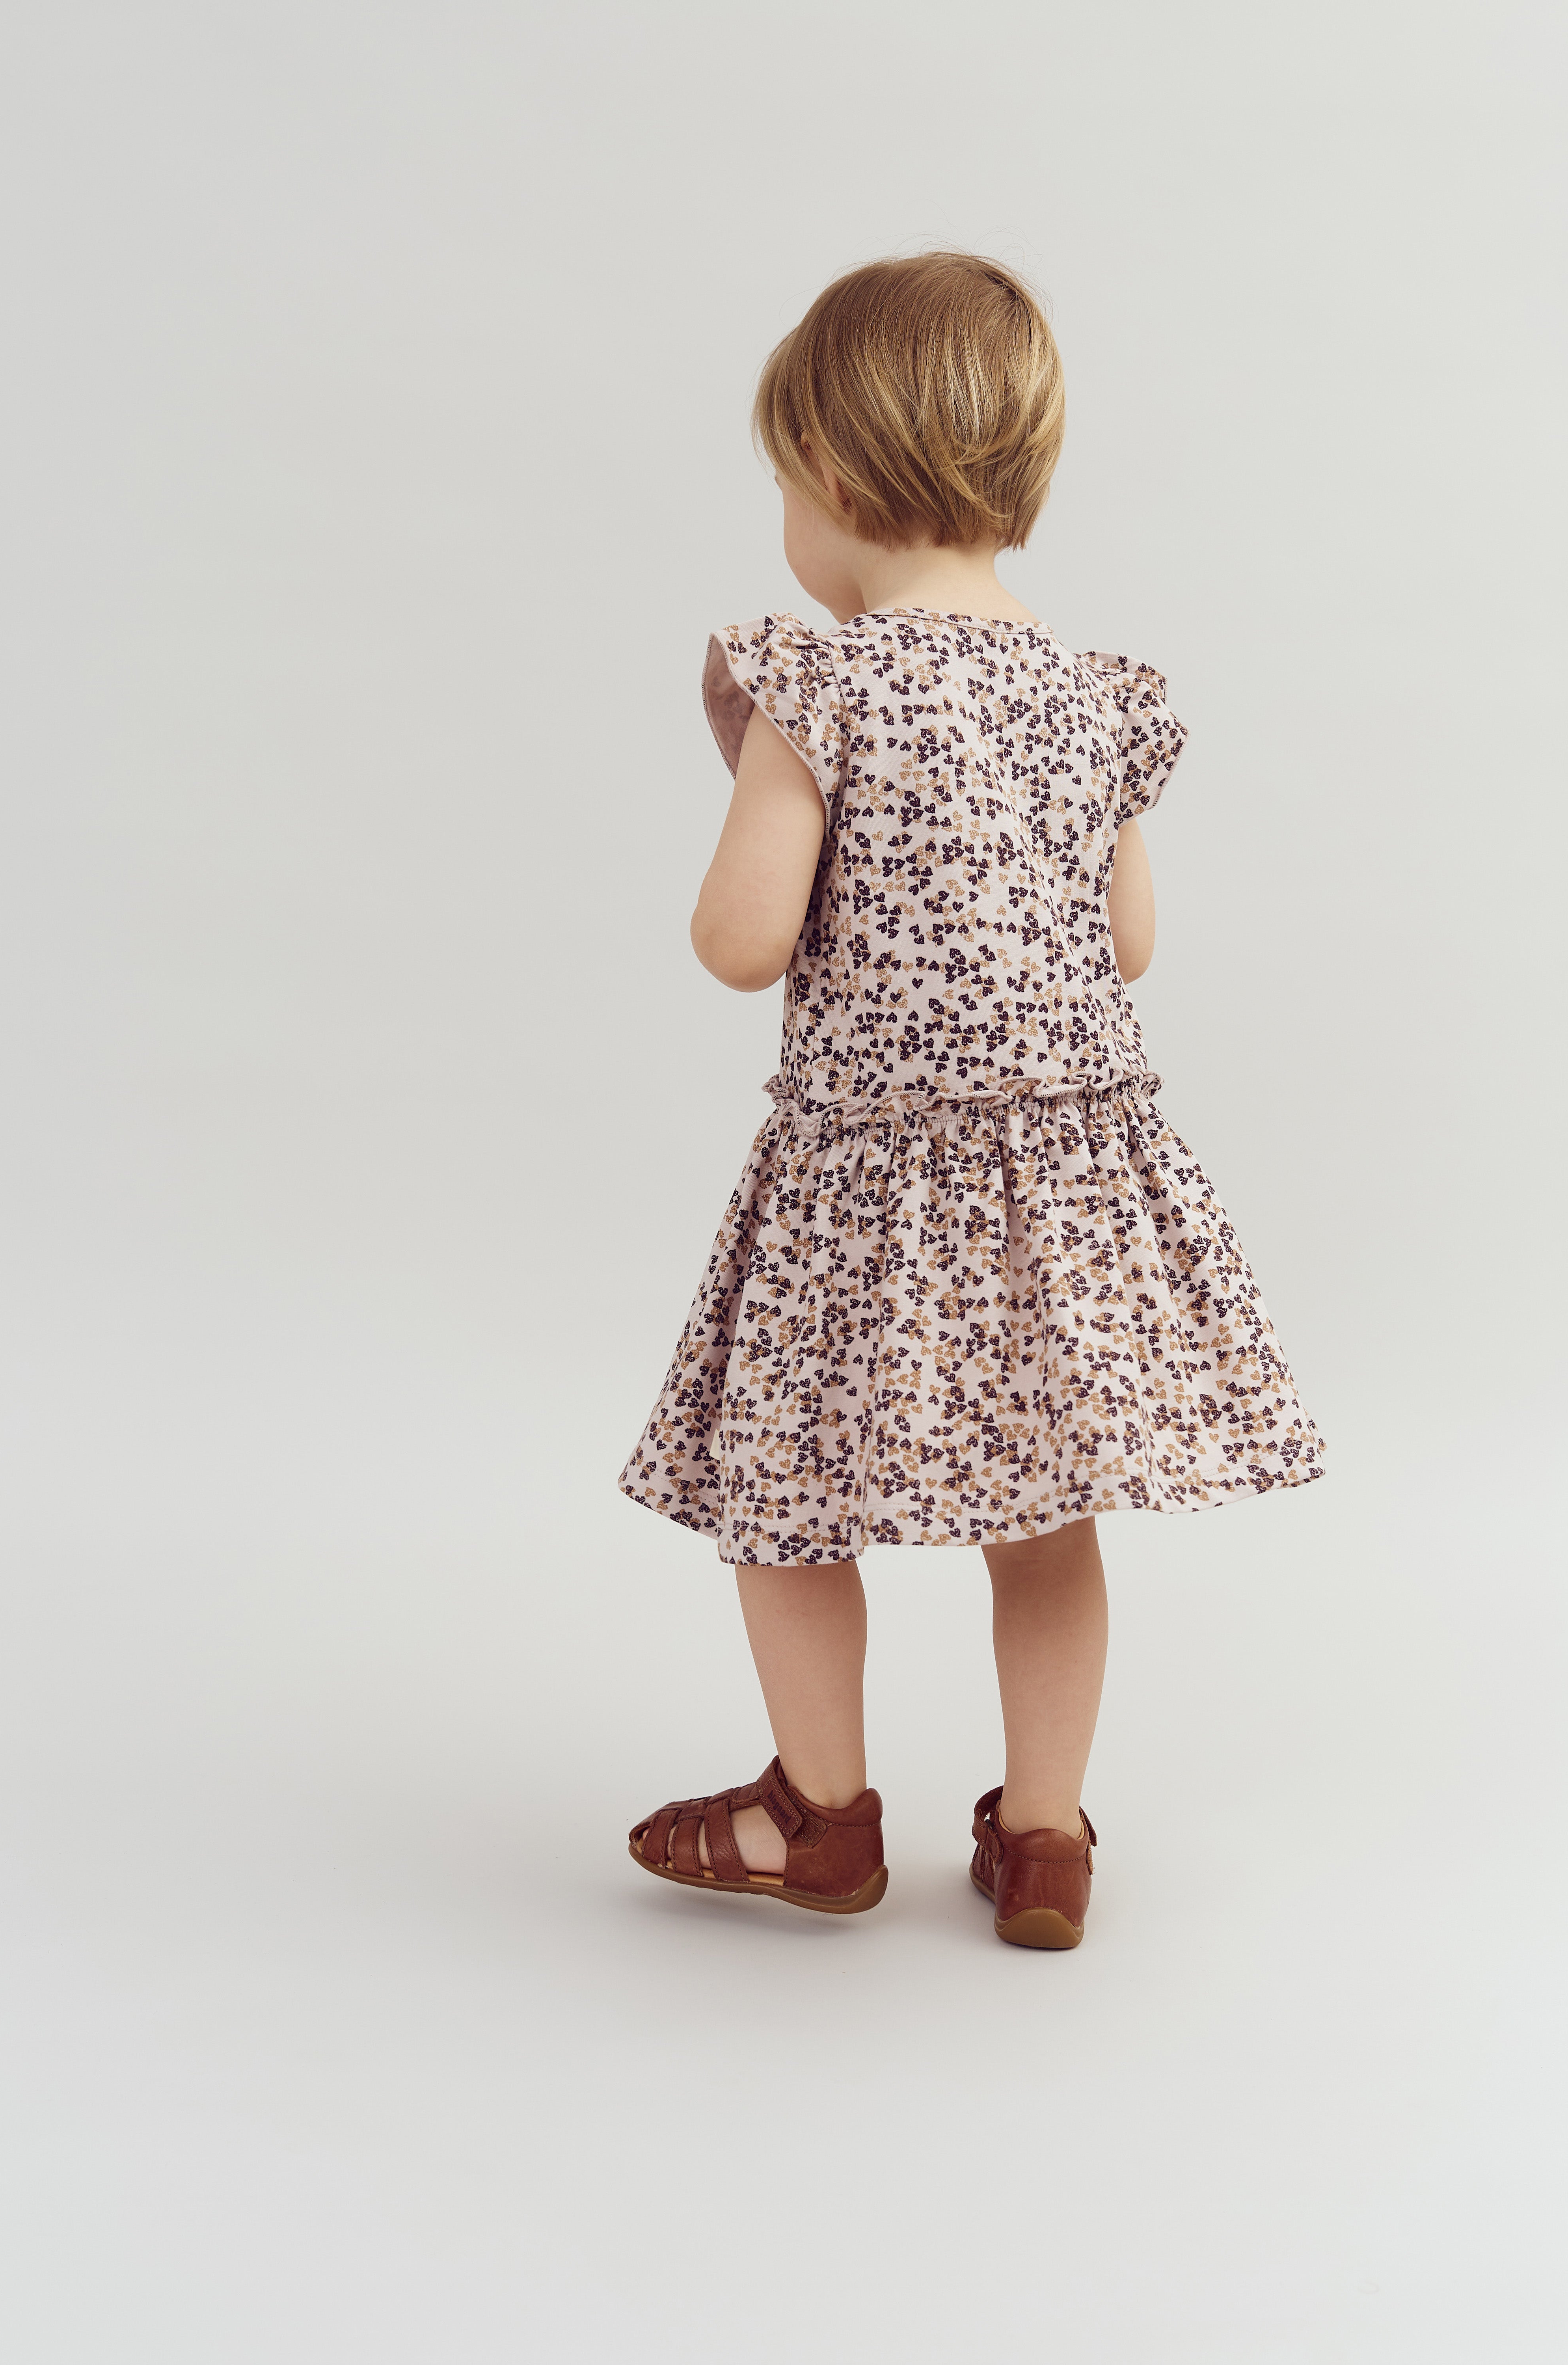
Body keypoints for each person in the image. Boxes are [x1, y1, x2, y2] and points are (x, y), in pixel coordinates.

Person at [618, 252, 1324, 1948]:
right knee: (1047, 1516)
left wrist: (761, 790)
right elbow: (1128, 944)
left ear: (834, 470)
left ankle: (819, 1819)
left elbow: (739, 942)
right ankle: (1048, 1836)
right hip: (1061, 1187)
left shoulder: (820, 686)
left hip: (864, 1181)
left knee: (787, 1496)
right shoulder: (1097, 698)